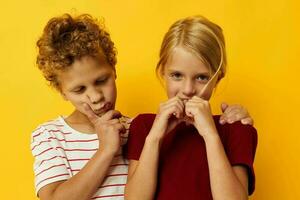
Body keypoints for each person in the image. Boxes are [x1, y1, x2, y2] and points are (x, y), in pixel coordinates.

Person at [31, 13, 254, 200]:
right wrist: (107, 150)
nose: (96, 96)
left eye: (101, 81)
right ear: (61, 91)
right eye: (79, 90)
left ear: (114, 70)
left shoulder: (134, 127)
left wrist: (224, 125)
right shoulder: (50, 135)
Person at [124, 16, 258, 200]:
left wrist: (211, 136)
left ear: (218, 78)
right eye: (177, 75)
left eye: (201, 77)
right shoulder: (145, 126)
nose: (188, 90)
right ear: (163, 72)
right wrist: (154, 138)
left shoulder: (235, 128)